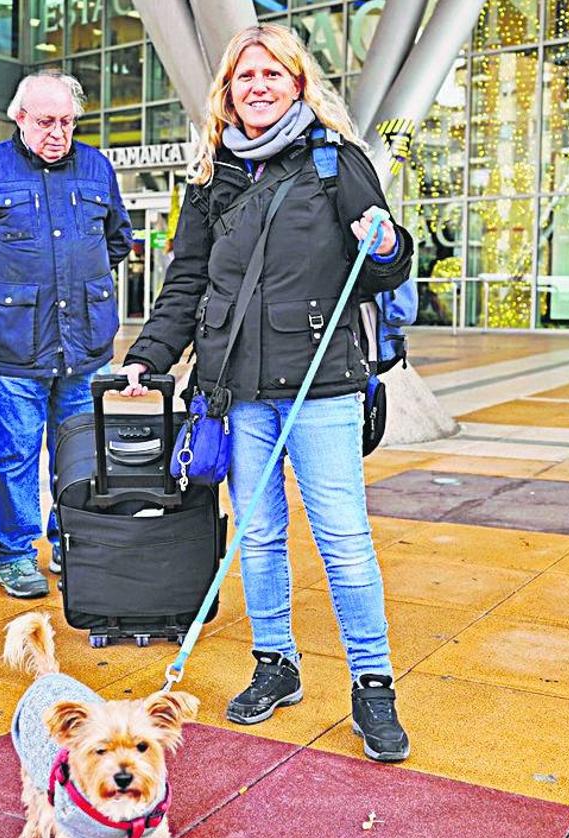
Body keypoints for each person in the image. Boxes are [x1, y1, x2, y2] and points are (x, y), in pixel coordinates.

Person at [117, 24, 413, 762]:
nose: (257, 86)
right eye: (244, 76)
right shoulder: (212, 174)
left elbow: (385, 263)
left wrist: (385, 244)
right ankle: (275, 664)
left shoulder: (335, 162)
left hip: (321, 385)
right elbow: (187, 280)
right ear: (227, 89)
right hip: (235, 389)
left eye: (272, 75)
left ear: (298, 83)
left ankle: (373, 685)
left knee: (343, 539)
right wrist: (150, 356)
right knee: (259, 536)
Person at [0, 71, 132, 599]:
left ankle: (73, 541)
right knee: (16, 454)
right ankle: (17, 554)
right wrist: (3, 288)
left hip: (86, 344)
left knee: (81, 453)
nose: (57, 132)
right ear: (19, 117)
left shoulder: (96, 167)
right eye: (46, 121)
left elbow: (119, 239)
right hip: (18, 345)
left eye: (67, 122)